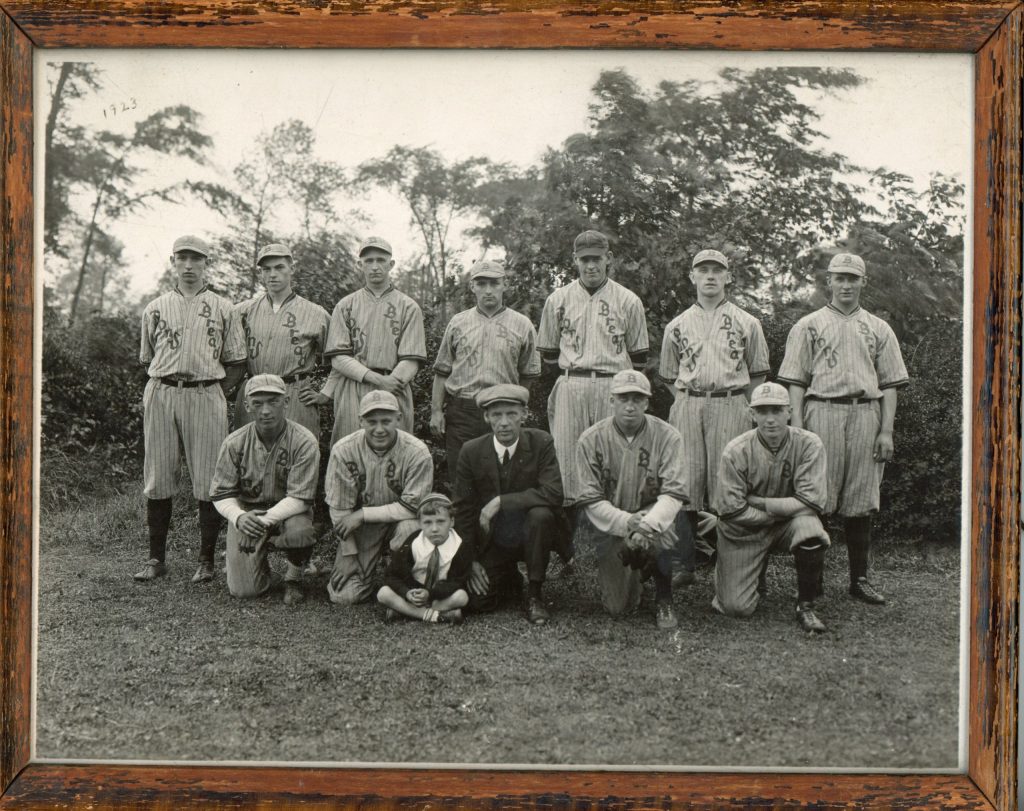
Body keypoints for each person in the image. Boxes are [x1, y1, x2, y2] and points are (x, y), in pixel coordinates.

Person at [777, 252, 909, 605]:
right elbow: (796, 382)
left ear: (863, 282)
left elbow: (890, 385)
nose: (846, 284)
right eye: (840, 278)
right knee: (815, 496)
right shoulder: (808, 325)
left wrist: (887, 431)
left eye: (853, 278)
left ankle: (859, 580)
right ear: (829, 281)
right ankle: (812, 581)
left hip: (865, 413)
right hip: (821, 410)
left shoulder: (879, 328)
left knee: (861, 500)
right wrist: (799, 429)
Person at [134, 234, 247, 584]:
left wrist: (217, 393)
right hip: (163, 390)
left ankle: (206, 560)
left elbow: (238, 362)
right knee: (158, 474)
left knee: (209, 478)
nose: (188, 265)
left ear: (205, 264)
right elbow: (147, 359)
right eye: (182, 258)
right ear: (172, 261)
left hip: (205, 392)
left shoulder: (224, 307)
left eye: (196, 259)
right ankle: (156, 558)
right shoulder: (154, 307)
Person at [537, 229, 649, 573]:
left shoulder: (628, 300)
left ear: (608, 259)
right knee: (568, 466)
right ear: (575, 261)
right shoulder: (558, 299)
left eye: (596, 259)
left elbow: (639, 358)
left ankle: (612, 552)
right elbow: (549, 354)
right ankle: (568, 555)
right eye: (584, 259)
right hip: (572, 382)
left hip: (612, 385)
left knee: (611, 464)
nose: (590, 266)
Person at [658, 249, 770, 584]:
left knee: (731, 485)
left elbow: (758, 374)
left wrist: (744, 407)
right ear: (692, 276)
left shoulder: (747, 322)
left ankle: (731, 562)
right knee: (685, 483)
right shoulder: (677, 325)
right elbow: (667, 374)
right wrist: (685, 400)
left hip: (732, 402)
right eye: (702, 270)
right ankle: (684, 563)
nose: (709, 276)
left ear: (728, 277)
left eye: (716, 271)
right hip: (690, 402)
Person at [711, 382, 831, 633]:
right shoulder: (736, 450)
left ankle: (806, 605)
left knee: (810, 527)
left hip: (786, 524)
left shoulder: (809, 444)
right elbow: (730, 510)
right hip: (743, 530)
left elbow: (812, 501)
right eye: (762, 411)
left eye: (776, 411)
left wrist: (762, 503)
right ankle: (745, 575)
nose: (770, 419)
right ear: (751, 415)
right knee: (736, 608)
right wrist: (775, 513)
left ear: (789, 411)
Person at [574, 370, 687, 630]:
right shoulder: (590, 439)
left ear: (647, 403)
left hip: (654, 516)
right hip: (613, 521)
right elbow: (590, 500)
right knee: (618, 608)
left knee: (664, 531)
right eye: (623, 398)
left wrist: (646, 525)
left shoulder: (668, 436)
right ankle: (639, 570)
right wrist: (628, 523)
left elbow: (673, 494)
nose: (630, 406)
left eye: (637, 399)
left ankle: (664, 596)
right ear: (611, 401)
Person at [452, 384, 566, 624]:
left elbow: (554, 493)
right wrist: (470, 560)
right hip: (494, 539)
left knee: (541, 514)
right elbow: (463, 509)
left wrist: (501, 502)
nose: (504, 422)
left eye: (511, 414)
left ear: (524, 414)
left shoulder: (541, 442)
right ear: (486, 417)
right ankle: (510, 578)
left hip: (532, 534)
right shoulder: (471, 451)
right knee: (477, 602)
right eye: (496, 415)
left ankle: (535, 594)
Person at [209, 374, 320, 605]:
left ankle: (294, 578)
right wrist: (239, 518)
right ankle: (259, 569)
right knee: (244, 591)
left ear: (286, 402)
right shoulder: (234, 442)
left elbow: (300, 498)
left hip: (289, 511)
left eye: (273, 401)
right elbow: (221, 494)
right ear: (247, 406)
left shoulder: (304, 440)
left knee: (299, 529)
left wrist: (260, 523)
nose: (266, 410)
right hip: (249, 511)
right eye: (258, 403)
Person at [430, 260, 541, 485]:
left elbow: (529, 373)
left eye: (494, 283)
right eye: (481, 284)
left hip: (502, 411)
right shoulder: (458, 322)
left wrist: (515, 405)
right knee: (462, 478)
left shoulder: (522, 324)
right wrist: (436, 411)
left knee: (502, 478)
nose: (488, 290)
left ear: (504, 284)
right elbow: (442, 371)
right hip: (463, 410)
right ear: (472, 286)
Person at [324, 390, 433, 605]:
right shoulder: (343, 450)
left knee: (410, 529)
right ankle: (372, 571)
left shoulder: (417, 452)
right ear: (360, 421)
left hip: (401, 521)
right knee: (344, 596)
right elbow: (340, 510)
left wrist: (363, 514)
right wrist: (349, 553)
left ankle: (403, 581)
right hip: (362, 529)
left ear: (399, 419)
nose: (379, 429)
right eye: (372, 421)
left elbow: (413, 507)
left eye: (386, 421)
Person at [319, 237, 427, 448]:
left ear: (391, 264)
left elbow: (412, 359)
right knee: (349, 451)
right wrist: (379, 380)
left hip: (395, 386)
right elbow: (339, 359)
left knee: (397, 455)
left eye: (381, 260)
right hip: (354, 387)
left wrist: (390, 383)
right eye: (368, 261)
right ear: (360, 265)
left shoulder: (408, 306)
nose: (375, 266)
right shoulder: (345, 305)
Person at [232, 243, 333, 437]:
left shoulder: (315, 313)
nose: (272, 274)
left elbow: (340, 358)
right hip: (255, 392)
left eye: (279, 267)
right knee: (250, 458)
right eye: (266, 269)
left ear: (291, 269)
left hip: (294, 392)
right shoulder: (242, 311)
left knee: (298, 456)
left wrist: (326, 393)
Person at [377, 493, 472, 624]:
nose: (434, 529)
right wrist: (407, 593)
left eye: (440, 521)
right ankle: (436, 616)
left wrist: (430, 593)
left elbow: (458, 582)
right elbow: (392, 575)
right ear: (420, 524)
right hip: (414, 594)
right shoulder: (414, 542)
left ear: (452, 522)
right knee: (383, 593)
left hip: (439, 596)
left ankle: (405, 612)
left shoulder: (459, 545)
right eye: (427, 522)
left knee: (462, 597)